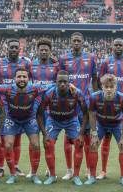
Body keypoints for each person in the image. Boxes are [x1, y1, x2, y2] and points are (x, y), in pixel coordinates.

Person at [0, 68, 52, 184]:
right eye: (19, 77)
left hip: (29, 119)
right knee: (8, 145)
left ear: (29, 79)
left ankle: (34, 175)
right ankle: (12, 174)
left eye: (24, 77)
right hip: (12, 119)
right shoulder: (7, 88)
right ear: (14, 79)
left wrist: (71, 85)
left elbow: (52, 86)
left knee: (36, 145)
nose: (21, 79)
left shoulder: (35, 88)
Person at [97, 38, 123, 180]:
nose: (118, 47)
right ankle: (103, 171)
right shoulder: (106, 62)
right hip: (108, 106)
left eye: (121, 45)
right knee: (106, 138)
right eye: (116, 45)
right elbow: (99, 81)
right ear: (112, 46)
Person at [37, 70, 88, 186]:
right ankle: (52, 175)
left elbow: (85, 113)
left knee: (79, 144)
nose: (62, 84)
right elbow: (39, 114)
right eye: (60, 82)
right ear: (56, 82)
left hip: (71, 121)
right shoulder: (49, 94)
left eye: (65, 82)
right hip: (53, 121)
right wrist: (44, 134)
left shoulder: (76, 93)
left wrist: (81, 133)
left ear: (69, 82)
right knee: (48, 144)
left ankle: (76, 176)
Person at [59, 32, 98, 180]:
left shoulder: (91, 58)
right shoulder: (63, 59)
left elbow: (95, 79)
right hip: (69, 104)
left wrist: (94, 97)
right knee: (68, 137)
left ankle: (89, 170)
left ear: (83, 42)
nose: (76, 43)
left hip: (86, 103)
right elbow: (60, 80)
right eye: (74, 40)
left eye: (78, 41)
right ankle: (69, 170)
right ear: (71, 42)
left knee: (86, 137)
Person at [0, 38, 30, 177]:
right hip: (3, 106)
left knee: (18, 138)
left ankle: (15, 166)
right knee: (3, 138)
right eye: (11, 47)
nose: (14, 49)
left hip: (20, 105)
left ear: (19, 49)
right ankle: (1, 167)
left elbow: (29, 81)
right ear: (7, 49)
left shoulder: (26, 63)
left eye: (16, 47)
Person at [86, 74, 123, 186]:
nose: (109, 89)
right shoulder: (94, 97)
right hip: (101, 124)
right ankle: (92, 176)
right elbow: (92, 115)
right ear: (102, 86)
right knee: (93, 145)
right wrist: (94, 133)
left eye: (112, 86)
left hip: (117, 124)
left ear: (116, 86)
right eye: (106, 86)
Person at [26, 37, 59, 178]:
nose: (44, 52)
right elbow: (26, 85)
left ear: (50, 52)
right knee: (33, 140)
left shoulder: (56, 67)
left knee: (49, 141)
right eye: (41, 50)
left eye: (46, 50)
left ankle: (48, 168)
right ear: (37, 51)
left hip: (50, 110)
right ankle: (32, 170)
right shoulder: (31, 66)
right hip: (34, 109)